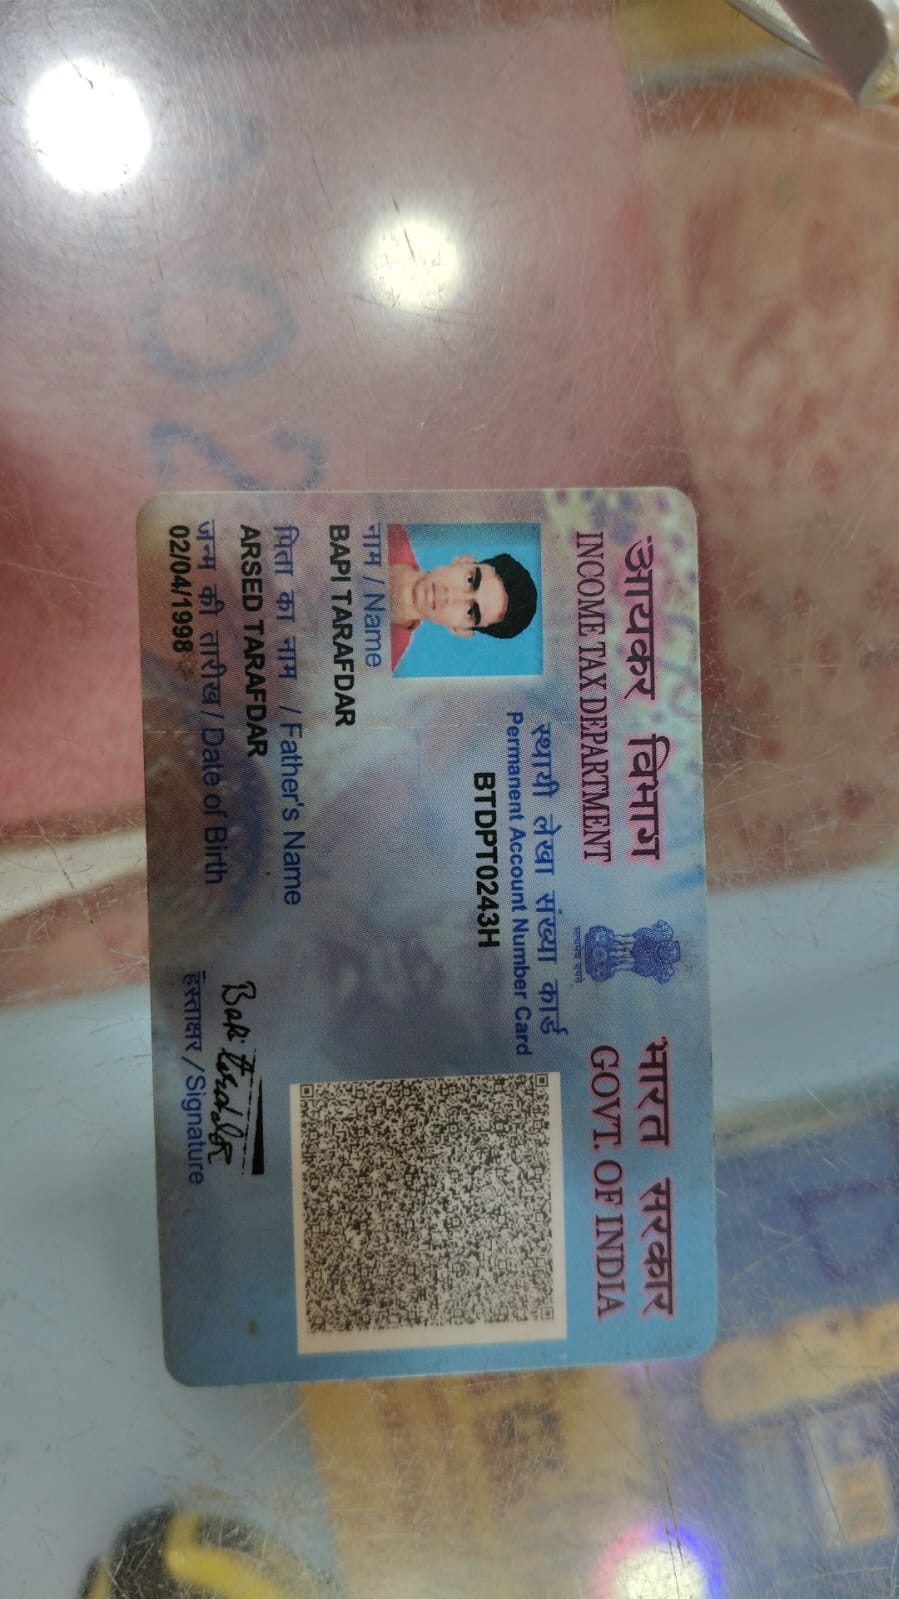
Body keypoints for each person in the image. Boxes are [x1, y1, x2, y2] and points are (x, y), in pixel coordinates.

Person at [387, 523, 538, 669]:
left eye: (470, 611)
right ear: (463, 561)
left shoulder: (384, 663)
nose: (452, 596)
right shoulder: (386, 529)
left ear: (461, 630)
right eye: (470, 580)